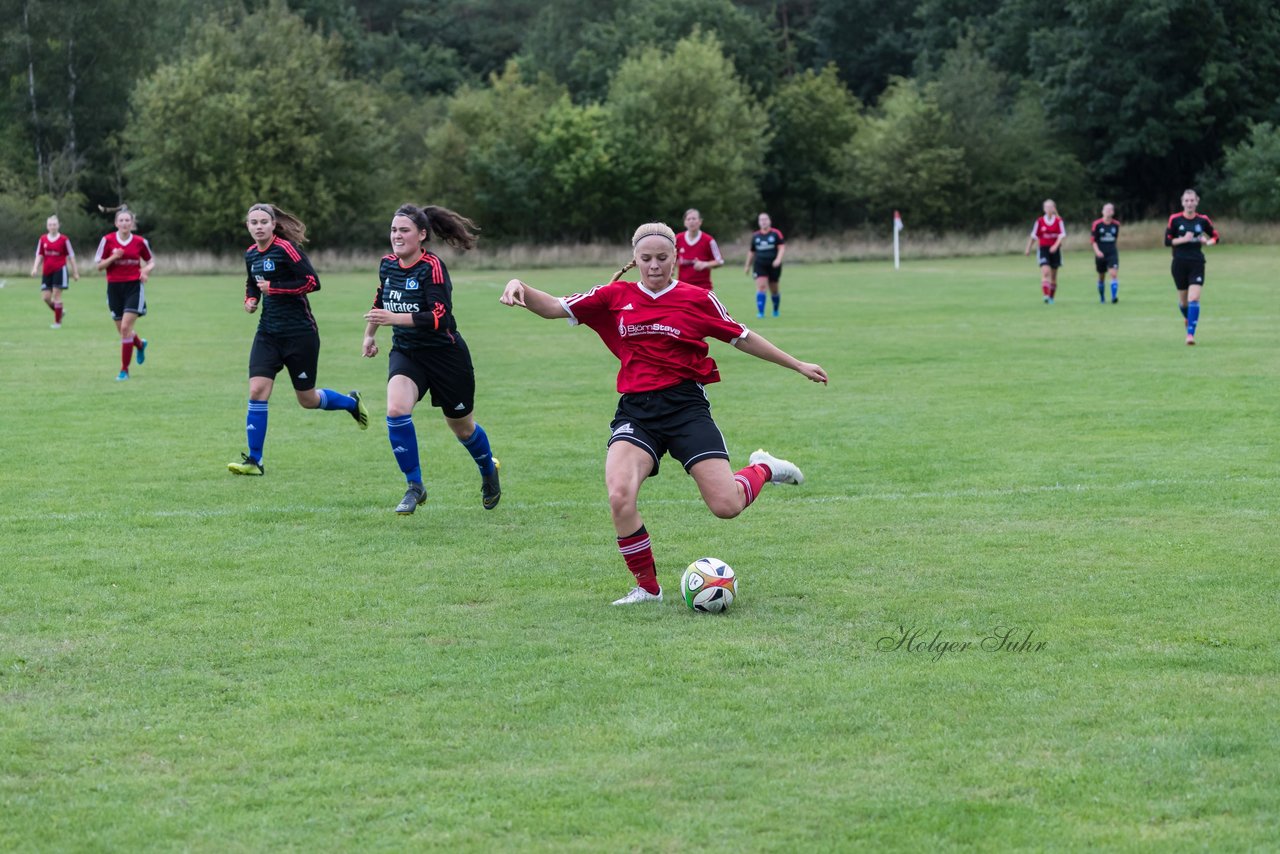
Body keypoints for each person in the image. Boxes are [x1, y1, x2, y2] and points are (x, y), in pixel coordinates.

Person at [500, 222, 828, 606]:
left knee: (726, 506)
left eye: (662, 258)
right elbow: (554, 307)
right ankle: (648, 589)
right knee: (620, 495)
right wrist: (519, 283)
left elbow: (743, 337)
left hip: (686, 408)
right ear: (634, 259)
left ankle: (764, 467)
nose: (654, 266)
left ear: (676, 257)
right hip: (637, 412)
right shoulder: (614, 295)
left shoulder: (698, 298)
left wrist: (796, 364)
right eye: (646, 258)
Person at [362, 204, 500, 515]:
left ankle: (488, 469)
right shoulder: (387, 264)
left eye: (404, 230)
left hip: (445, 356)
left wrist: (394, 318)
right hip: (407, 353)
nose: (397, 235)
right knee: (396, 409)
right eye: (394, 230)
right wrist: (370, 334)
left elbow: (439, 317)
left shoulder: (432, 267)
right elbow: (381, 299)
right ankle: (415, 486)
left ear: (422, 235)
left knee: (463, 429)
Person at [227, 203, 368, 476]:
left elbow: (312, 282)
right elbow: (251, 282)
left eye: (263, 222)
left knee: (307, 399)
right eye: (253, 222)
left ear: (272, 225)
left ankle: (351, 403)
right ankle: (255, 461)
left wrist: (275, 289)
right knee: (257, 391)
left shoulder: (286, 249)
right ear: (247, 226)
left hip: (300, 335)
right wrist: (251, 299)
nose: (258, 227)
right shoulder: (250, 254)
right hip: (268, 333)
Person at [94, 207, 154, 380]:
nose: (124, 223)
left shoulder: (140, 242)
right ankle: (140, 345)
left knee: (126, 328)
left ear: (132, 223)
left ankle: (124, 370)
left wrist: (145, 271)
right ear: (116, 223)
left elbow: (151, 262)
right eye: (121, 220)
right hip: (114, 288)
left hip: (134, 287)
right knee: (123, 331)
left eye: (128, 220)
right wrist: (114, 257)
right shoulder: (107, 240)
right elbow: (99, 266)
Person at [1164, 189, 1219, 346]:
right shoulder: (1174, 219)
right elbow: (1167, 242)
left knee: (1193, 298)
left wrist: (1207, 242)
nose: (1189, 203)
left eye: (1192, 200)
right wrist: (1183, 239)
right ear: (1182, 202)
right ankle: (1188, 317)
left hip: (1197, 263)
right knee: (1184, 303)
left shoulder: (1203, 220)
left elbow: (1216, 237)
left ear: (1197, 201)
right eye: (1186, 201)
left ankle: (1190, 335)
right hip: (1179, 263)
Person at [30, 214, 80, 328]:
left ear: (58, 226)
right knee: (46, 298)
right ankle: (60, 312)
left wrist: (75, 272)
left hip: (60, 270)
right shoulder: (42, 239)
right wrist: (35, 267)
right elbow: (39, 254)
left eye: (54, 224)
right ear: (47, 226)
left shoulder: (64, 239)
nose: (52, 226)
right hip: (47, 271)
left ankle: (57, 323)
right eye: (50, 225)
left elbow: (71, 256)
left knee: (57, 295)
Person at [744, 212, 786, 318]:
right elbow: (752, 251)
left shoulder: (776, 233)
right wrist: (747, 265)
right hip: (759, 265)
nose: (763, 221)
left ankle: (775, 310)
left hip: (774, 266)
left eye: (765, 219)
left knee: (774, 290)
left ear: (769, 221)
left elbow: (781, 248)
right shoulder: (756, 236)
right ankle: (761, 313)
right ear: (759, 222)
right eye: (761, 220)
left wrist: (778, 259)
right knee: (761, 287)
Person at [1024, 199, 1066, 303]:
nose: (1048, 209)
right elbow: (1034, 236)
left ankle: (1051, 297)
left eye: (1050, 207)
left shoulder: (1058, 221)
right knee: (1045, 272)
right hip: (1043, 249)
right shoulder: (1039, 221)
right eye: (1046, 207)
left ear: (1054, 208)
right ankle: (1046, 296)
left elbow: (1062, 235)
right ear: (1044, 209)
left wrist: (1055, 246)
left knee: (1053, 276)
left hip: (1055, 250)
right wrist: (1028, 248)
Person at [676, 208, 724, 290]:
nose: (691, 221)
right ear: (685, 222)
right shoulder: (677, 239)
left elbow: (720, 261)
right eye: (688, 219)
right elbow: (671, 259)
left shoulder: (709, 240)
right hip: (683, 287)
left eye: (694, 219)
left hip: (703, 288)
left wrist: (705, 264)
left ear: (700, 221)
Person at [1090, 203, 1121, 304]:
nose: (1108, 211)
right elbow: (1093, 240)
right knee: (1101, 276)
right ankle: (1102, 297)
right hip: (1100, 253)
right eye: (1106, 209)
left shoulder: (1116, 224)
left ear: (1113, 212)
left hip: (1112, 253)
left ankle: (1113, 297)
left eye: (1110, 209)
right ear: (1102, 211)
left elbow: (1115, 238)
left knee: (1113, 274)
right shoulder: (1097, 224)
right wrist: (1097, 251)